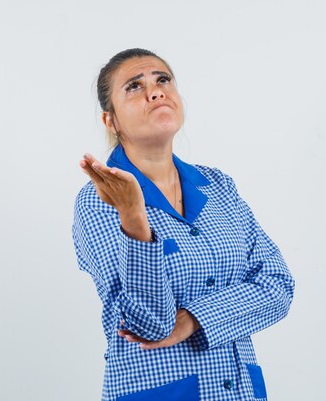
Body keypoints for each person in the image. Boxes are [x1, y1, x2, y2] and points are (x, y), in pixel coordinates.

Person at [72, 48, 295, 401]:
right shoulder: (98, 201)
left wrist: (193, 319)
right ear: (110, 120)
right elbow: (149, 325)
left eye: (163, 80)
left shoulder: (218, 186)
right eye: (134, 86)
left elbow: (278, 287)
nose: (156, 91)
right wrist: (133, 217)